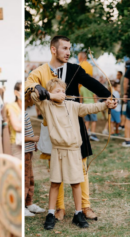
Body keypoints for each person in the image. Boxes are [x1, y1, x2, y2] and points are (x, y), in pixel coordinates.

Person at [25, 36, 116, 221]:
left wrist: (109, 97)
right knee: (55, 169)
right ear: (53, 49)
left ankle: (85, 206)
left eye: (69, 49)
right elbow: (29, 86)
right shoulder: (40, 71)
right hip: (53, 128)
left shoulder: (74, 69)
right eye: (64, 48)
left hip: (75, 124)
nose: (68, 52)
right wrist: (41, 90)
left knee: (81, 167)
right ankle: (59, 208)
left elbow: (92, 83)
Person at [31, 78, 116, 230]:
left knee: (76, 182)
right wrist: (51, 96)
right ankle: (51, 213)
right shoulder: (46, 106)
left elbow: (91, 108)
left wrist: (106, 104)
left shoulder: (72, 105)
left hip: (73, 151)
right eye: (58, 91)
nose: (61, 94)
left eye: (63, 91)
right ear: (50, 93)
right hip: (57, 150)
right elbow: (34, 96)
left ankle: (78, 214)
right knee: (55, 182)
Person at [24, 110, 44, 217]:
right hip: (23, 153)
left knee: (30, 179)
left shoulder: (25, 113)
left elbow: (27, 131)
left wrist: (33, 144)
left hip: (28, 152)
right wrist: (31, 139)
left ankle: (29, 203)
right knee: (24, 181)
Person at [6, 82, 23, 159]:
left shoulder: (26, 106)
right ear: (16, 93)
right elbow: (16, 127)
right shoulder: (11, 106)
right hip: (16, 145)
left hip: (27, 143)